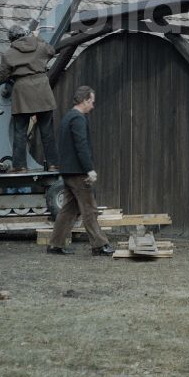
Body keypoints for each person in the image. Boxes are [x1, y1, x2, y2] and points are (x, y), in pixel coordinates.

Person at [47, 86, 114, 256]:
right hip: (78, 172)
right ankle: (99, 245)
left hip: (68, 172)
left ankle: (55, 244)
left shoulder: (67, 117)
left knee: (69, 209)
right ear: (84, 101)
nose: (93, 106)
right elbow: (81, 146)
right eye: (91, 102)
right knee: (90, 209)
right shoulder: (78, 119)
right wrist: (89, 169)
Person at [0, 26, 59, 172]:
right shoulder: (39, 45)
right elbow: (52, 51)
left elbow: (3, 77)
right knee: (47, 131)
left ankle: (20, 166)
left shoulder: (8, 54)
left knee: (20, 131)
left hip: (22, 92)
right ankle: (53, 165)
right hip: (42, 89)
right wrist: (37, 37)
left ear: (11, 39)